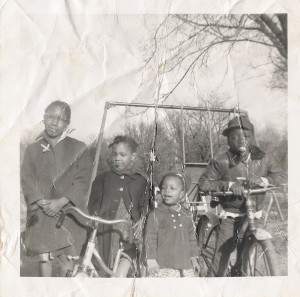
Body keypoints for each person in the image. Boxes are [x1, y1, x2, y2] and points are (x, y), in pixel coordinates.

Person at [198, 115, 287, 277]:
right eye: (235, 136)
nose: (241, 140)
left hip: (254, 212)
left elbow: (282, 176)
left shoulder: (264, 158)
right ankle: (212, 283)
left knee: (246, 248)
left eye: (246, 136)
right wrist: (229, 185)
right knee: (223, 253)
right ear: (228, 140)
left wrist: (264, 179)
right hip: (232, 213)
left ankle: (240, 273)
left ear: (252, 138)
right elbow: (204, 183)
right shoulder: (221, 161)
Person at [21, 101, 92, 277]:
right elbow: (27, 178)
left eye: (60, 119)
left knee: (68, 264)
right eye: (51, 117)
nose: (54, 122)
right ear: (44, 118)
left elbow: (83, 180)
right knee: (45, 259)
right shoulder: (32, 149)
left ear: (67, 123)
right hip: (42, 213)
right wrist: (40, 201)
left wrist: (61, 201)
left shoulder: (79, 147)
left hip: (69, 214)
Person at [88, 135, 148, 277]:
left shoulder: (140, 180)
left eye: (123, 155)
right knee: (103, 261)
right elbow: (94, 202)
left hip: (128, 228)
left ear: (132, 157)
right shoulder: (102, 178)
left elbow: (145, 204)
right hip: (106, 225)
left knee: (124, 261)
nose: (117, 158)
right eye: (115, 154)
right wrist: (94, 214)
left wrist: (141, 220)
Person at [145, 172, 200, 277]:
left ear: (182, 194)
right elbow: (150, 238)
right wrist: (151, 260)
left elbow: (192, 238)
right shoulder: (155, 214)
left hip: (185, 267)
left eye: (172, 188)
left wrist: (194, 258)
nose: (167, 191)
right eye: (164, 188)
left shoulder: (187, 214)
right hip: (163, 267)